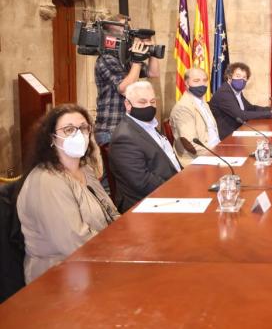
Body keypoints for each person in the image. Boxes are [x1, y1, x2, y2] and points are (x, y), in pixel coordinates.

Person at [16, 105, 119, 284]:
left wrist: (127, 236)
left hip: (97, 259)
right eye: (69, 130)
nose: (78, 135)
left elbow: (110, 212)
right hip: (58, 275)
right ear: (52, 138)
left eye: (83, 128)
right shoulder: (47, 181)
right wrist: (119, 248)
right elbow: (74, 243)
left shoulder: (85, 169)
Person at [109, 81, 181, 213]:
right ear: (128, 105)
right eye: (142, 102)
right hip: (145, 204)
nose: (149, 106)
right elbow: (142, 181)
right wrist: (177, 189)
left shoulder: (148, 125)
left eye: (152, 102)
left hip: (169, 192)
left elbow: (168, 159)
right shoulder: (124, 137)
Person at [94, 15, 160, 146]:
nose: (128, 34)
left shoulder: (127, 58)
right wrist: (137, 60)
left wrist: (152, 52)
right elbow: (125, 89)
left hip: (128, 127)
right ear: (111, 34)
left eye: (128, 30)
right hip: (111, 129)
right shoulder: (106, 58)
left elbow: (153, 73)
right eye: (124, 30)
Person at [209, 62, 272, 140]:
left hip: (238, 132)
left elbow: (250, 108)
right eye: (238, 76)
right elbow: (240, 115)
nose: (241, 80)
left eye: (244, 77)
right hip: (227, 138)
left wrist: (270, 109)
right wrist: (270, 114)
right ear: (229, 77)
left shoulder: (236, 92)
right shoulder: (224, 93)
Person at [170, 68, 220, 167]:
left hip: (215, 152)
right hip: (197, 160)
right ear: (187, 83)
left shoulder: (203, 103)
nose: (202, 84)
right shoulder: (183, 108)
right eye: (196, 81)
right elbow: (191, 145)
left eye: (204, 80)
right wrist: (219, 153)